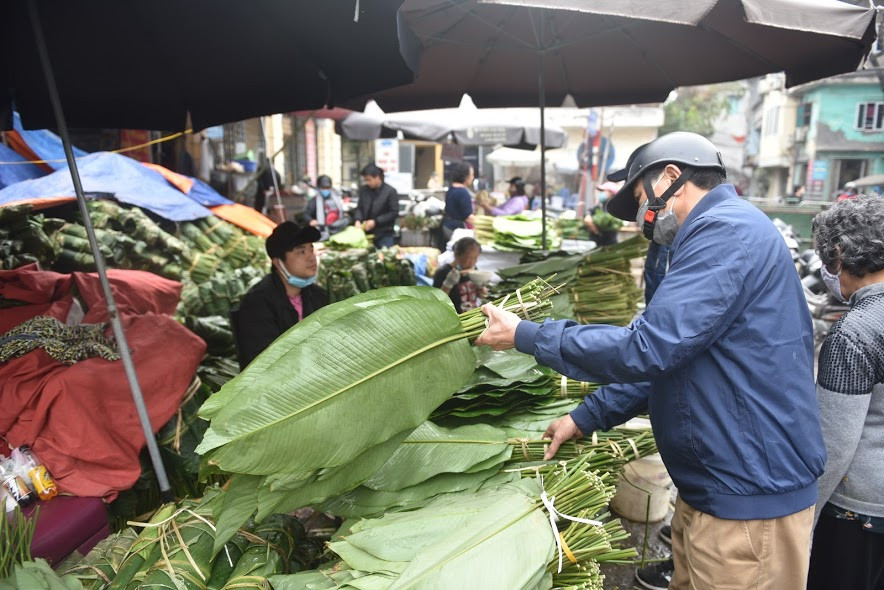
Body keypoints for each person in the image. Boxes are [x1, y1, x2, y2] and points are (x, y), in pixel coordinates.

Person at [476, 132, 825, 590]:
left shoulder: (725, 232)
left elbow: (649, 346)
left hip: (747, 493)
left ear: (672, 178)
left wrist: (526, 335)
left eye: (642, 199)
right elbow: (670, 360)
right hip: (715, 488)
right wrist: (586, 416)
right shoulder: (712, 231)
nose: (643, 217)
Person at [807, 195, 884, 590]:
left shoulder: (856, 332)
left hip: (861, 514)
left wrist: (804, 519)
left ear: (839, 255)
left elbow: (832, 446)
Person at [233, 222, 327, 369]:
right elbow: (263, 363)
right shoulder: (258, 303)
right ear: (278, 262)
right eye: (301, 252)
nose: (311, 258)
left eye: (311, 249)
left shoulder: (318, 296)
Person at [433, 237, 483, 313]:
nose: (472, 262)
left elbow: (475, 294)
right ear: (457, 255)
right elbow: (436, 302)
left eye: (475, 258)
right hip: (453, 316)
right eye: (468, 257)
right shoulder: (442, 272)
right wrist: (447, 284)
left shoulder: (474, 270)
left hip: (473, 314)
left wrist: (480, 291)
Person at [354, 164, 400, 248]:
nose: (367, 183)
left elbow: (394, 212)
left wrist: (376, 221)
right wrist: (358, 220)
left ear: (378, 177)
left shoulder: (390, 192)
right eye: (365, 180)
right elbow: (360, 207)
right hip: (366, 233)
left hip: (384, 234)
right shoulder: (364, 190)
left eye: (369, 180)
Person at [439, 161, 476, 250]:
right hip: (455, 229)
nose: (473, 177)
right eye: (471, 175)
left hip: (447, 226)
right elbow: (468, 217)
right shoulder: (462, 192)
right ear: (466, 176)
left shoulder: (451, 188)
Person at [304, 174, 348, 241]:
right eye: (323, 188)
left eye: (327, 188)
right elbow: (307, 214)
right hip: (323, 227)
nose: (326, 190)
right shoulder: (314, 201)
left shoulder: (335, 198)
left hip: (336, 225)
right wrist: (311, 221)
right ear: (319, 188)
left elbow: (340, 211)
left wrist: (344, 214)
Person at [582, 181, 622, 246]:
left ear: (611, 193)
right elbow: (589, 211)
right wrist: (587, 215)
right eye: (600, 191)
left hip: (608, 245)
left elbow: (610, 225)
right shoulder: (600, 206)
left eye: (603, 191)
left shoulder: (616, 209)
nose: (600, 193)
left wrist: (596, 231)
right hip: (595, 243)